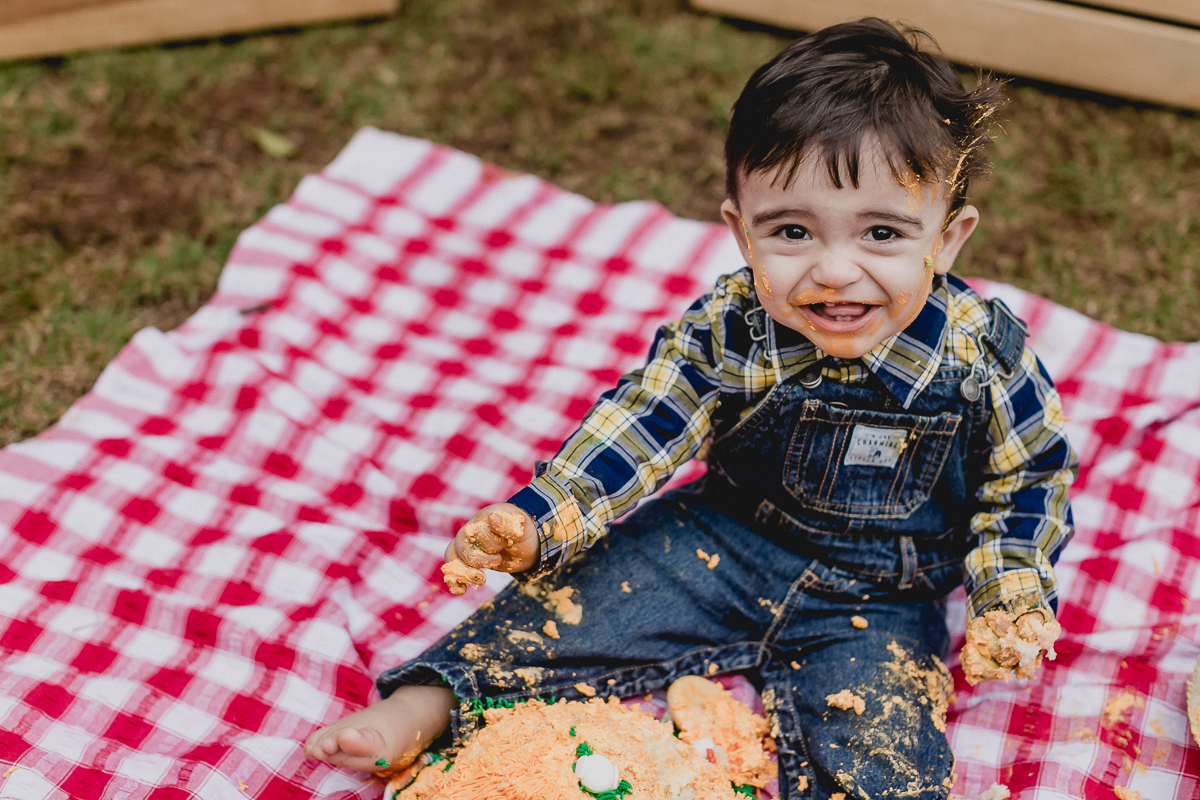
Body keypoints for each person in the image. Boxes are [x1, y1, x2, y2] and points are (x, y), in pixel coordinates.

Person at [304, 18, 1076, 799]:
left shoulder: (983, 356)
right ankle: (426, 703)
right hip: (727, 536)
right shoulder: (731, 327)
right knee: (579, 602)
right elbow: (645, 420)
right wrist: (547, 513)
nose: (836, 271)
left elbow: (1029, 479)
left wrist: (1009, 593)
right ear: (742, 233)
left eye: (882, 233)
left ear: (946, 240)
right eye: (792, 231)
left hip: (881, 595)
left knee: (882, 745)